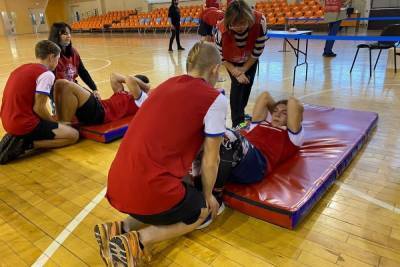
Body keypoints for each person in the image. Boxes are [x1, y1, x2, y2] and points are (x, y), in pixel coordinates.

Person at [93, 41, 227, 266]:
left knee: (160, 190)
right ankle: (139, 241)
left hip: (117, 182)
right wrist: (208, 194)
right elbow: (211, 158)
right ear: (215, 69)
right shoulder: (215, 99)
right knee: (199, 211)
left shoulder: (166, 85)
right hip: (149, 188)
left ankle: (119, 227)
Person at [193, 91, 304, 198]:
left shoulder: (292, 136)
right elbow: (265, 96)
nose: (277, 115)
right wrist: (275, 113)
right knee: (207, 133)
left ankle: (216, 196)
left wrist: (281, 113)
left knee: (227, 135)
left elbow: (293, 102)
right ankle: (197, 183)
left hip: (256, 164)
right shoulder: (260, 123)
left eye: (284, 113)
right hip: (235, 160)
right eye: (275, 111)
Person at [0, 40, 79, 164]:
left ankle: (23, 138)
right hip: (22, 124)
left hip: (8, 121)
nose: (57, 63)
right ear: (51, 57)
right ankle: (28, 144)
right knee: (73, 135)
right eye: (57, 59)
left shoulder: (22, 68)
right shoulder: (47, 74)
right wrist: (56, 123)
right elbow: (39, 108)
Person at [215, 0, 267, 127]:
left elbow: (257, 50)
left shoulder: (260, 22)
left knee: (247, 84)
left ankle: (241, 114)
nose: (239, 28)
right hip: (230, 59)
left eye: (243, 24)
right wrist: (235, 71)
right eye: (234, 25)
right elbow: (220, 56)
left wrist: (244, 68)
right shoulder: (221, 31)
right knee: (238, 83)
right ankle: (237, 123)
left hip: (250, 58)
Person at [53, 73, 150, 125]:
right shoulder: (123, 92)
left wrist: (145, 86)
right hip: (97, 107)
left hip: (101, 113)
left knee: (68, 85)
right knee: (59, 83)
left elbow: (129, 79)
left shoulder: (141, 99)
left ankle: (64, 126)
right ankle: (61, 120)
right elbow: (114, 76)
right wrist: (140, 83)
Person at [48, 22, 100, 99]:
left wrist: (94, 89)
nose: (68, 36)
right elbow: (49, 84)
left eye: (69, 33)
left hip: (73, 88)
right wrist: (57, 102)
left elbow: (83, 72)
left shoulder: (73, 52)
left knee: (93, 100)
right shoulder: (52, 57)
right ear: (56, 36)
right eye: (65, 34)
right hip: (59, 93)